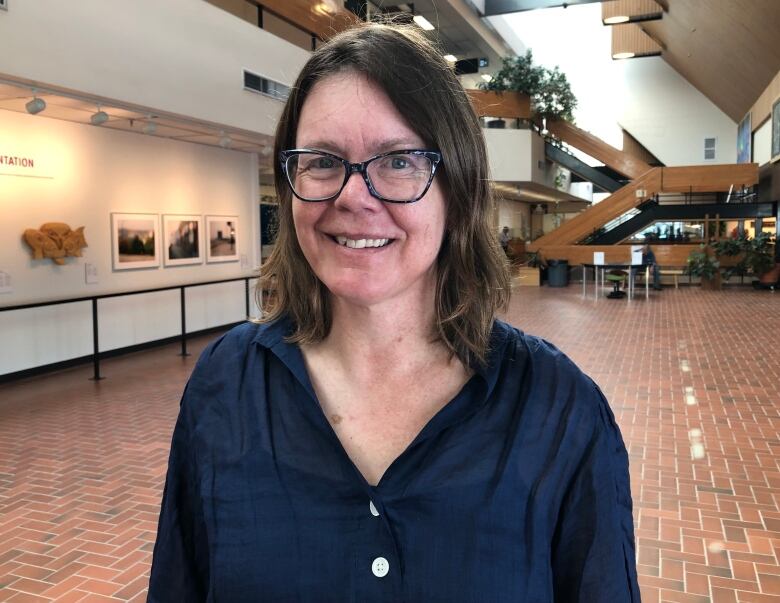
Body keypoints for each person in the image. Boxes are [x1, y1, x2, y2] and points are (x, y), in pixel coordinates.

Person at [148, 22, 639, 602]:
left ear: (456, 192)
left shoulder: (559, 412)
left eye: (400, 161)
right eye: (323, 161)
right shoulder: (225, 387)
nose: (353, 195)